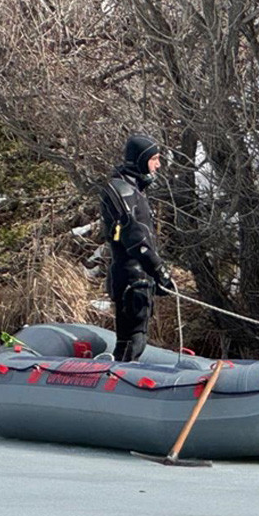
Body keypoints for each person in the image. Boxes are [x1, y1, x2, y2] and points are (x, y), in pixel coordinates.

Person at [98, 134, 174, 362]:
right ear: (141, 159)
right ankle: (117, 375)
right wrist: (159, 270)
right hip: (131, 278)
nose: (158, 165)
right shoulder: (121, 190)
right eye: (154, 159)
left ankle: (120, 369)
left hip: (140, 277)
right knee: (133, 340)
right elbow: (134, 237)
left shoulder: (134, 189)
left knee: (135, 339)